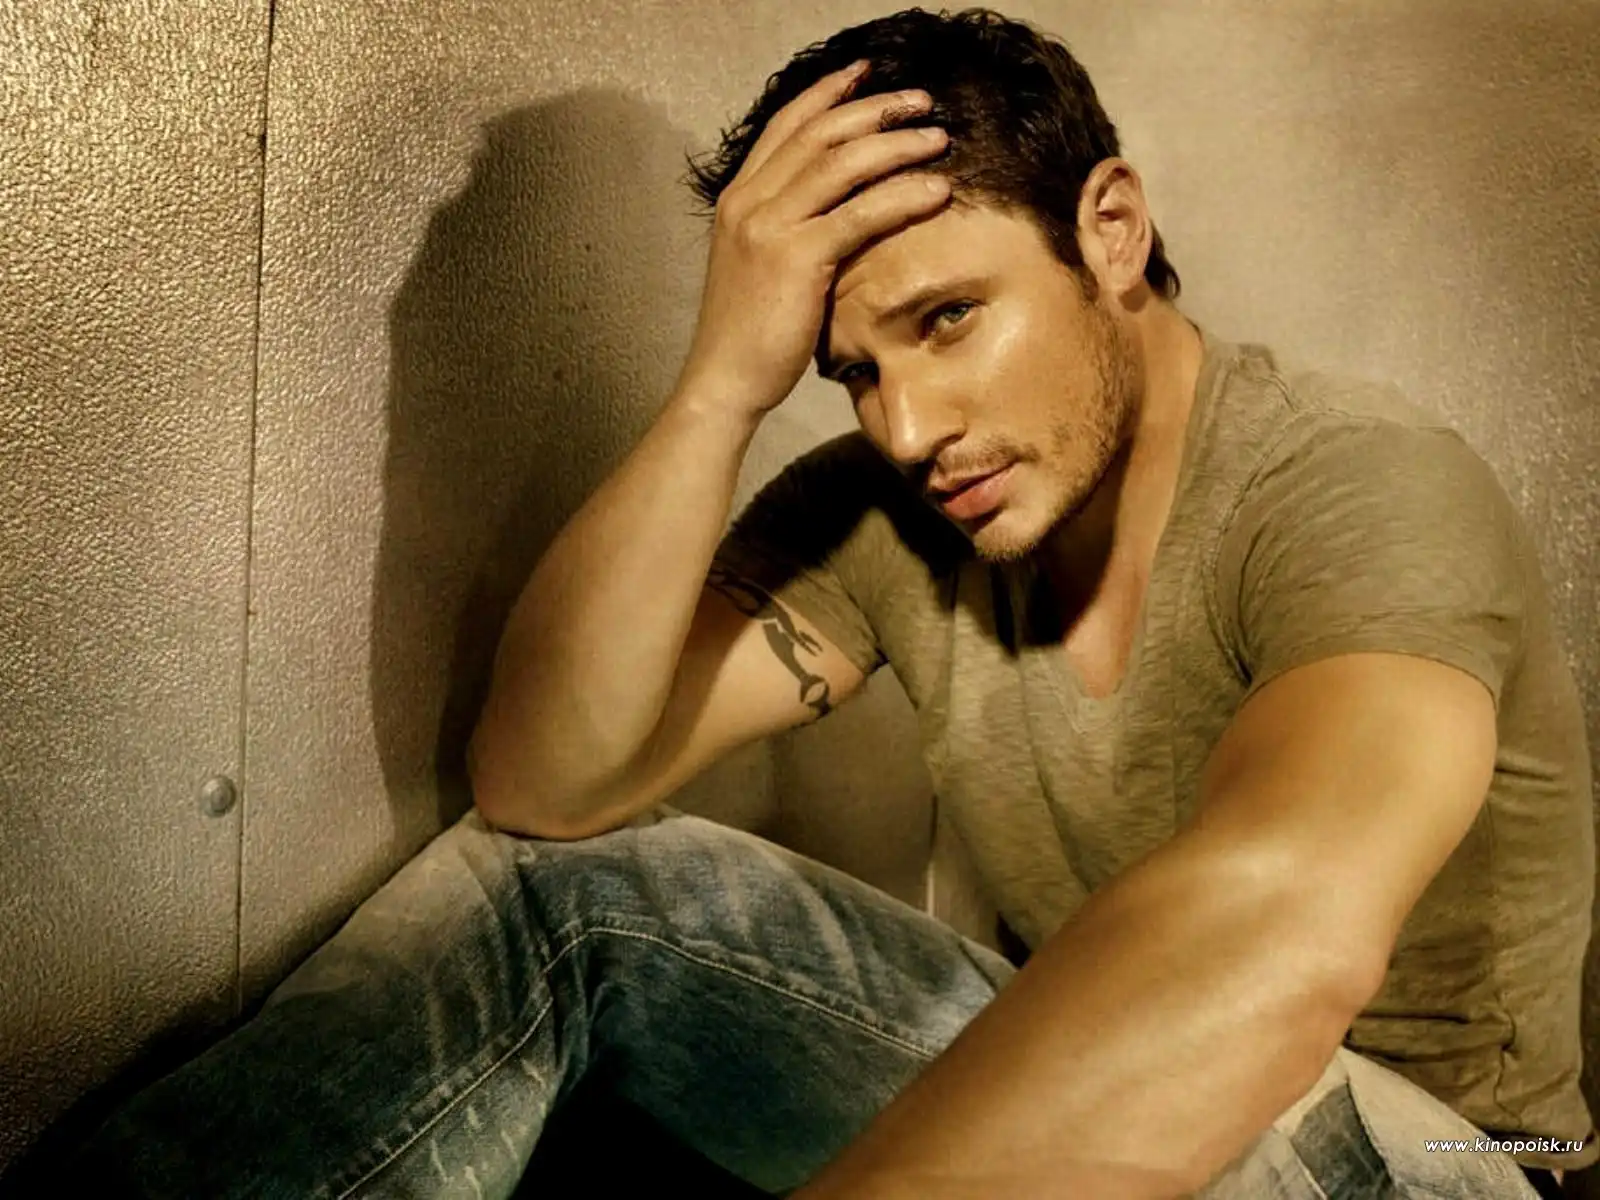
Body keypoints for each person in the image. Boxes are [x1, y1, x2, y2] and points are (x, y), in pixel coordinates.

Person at [68, 7, 1593, 1198]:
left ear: (1111, 231)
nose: (909, 428)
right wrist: (722, 386)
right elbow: (544, 786)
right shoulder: (889, 510)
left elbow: (1277, 940)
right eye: (852, 370)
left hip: (1456, 1161)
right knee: (555, 899)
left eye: (950, 319)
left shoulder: (1356, 484)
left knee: (1205, 1023)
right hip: (1131, 1087)